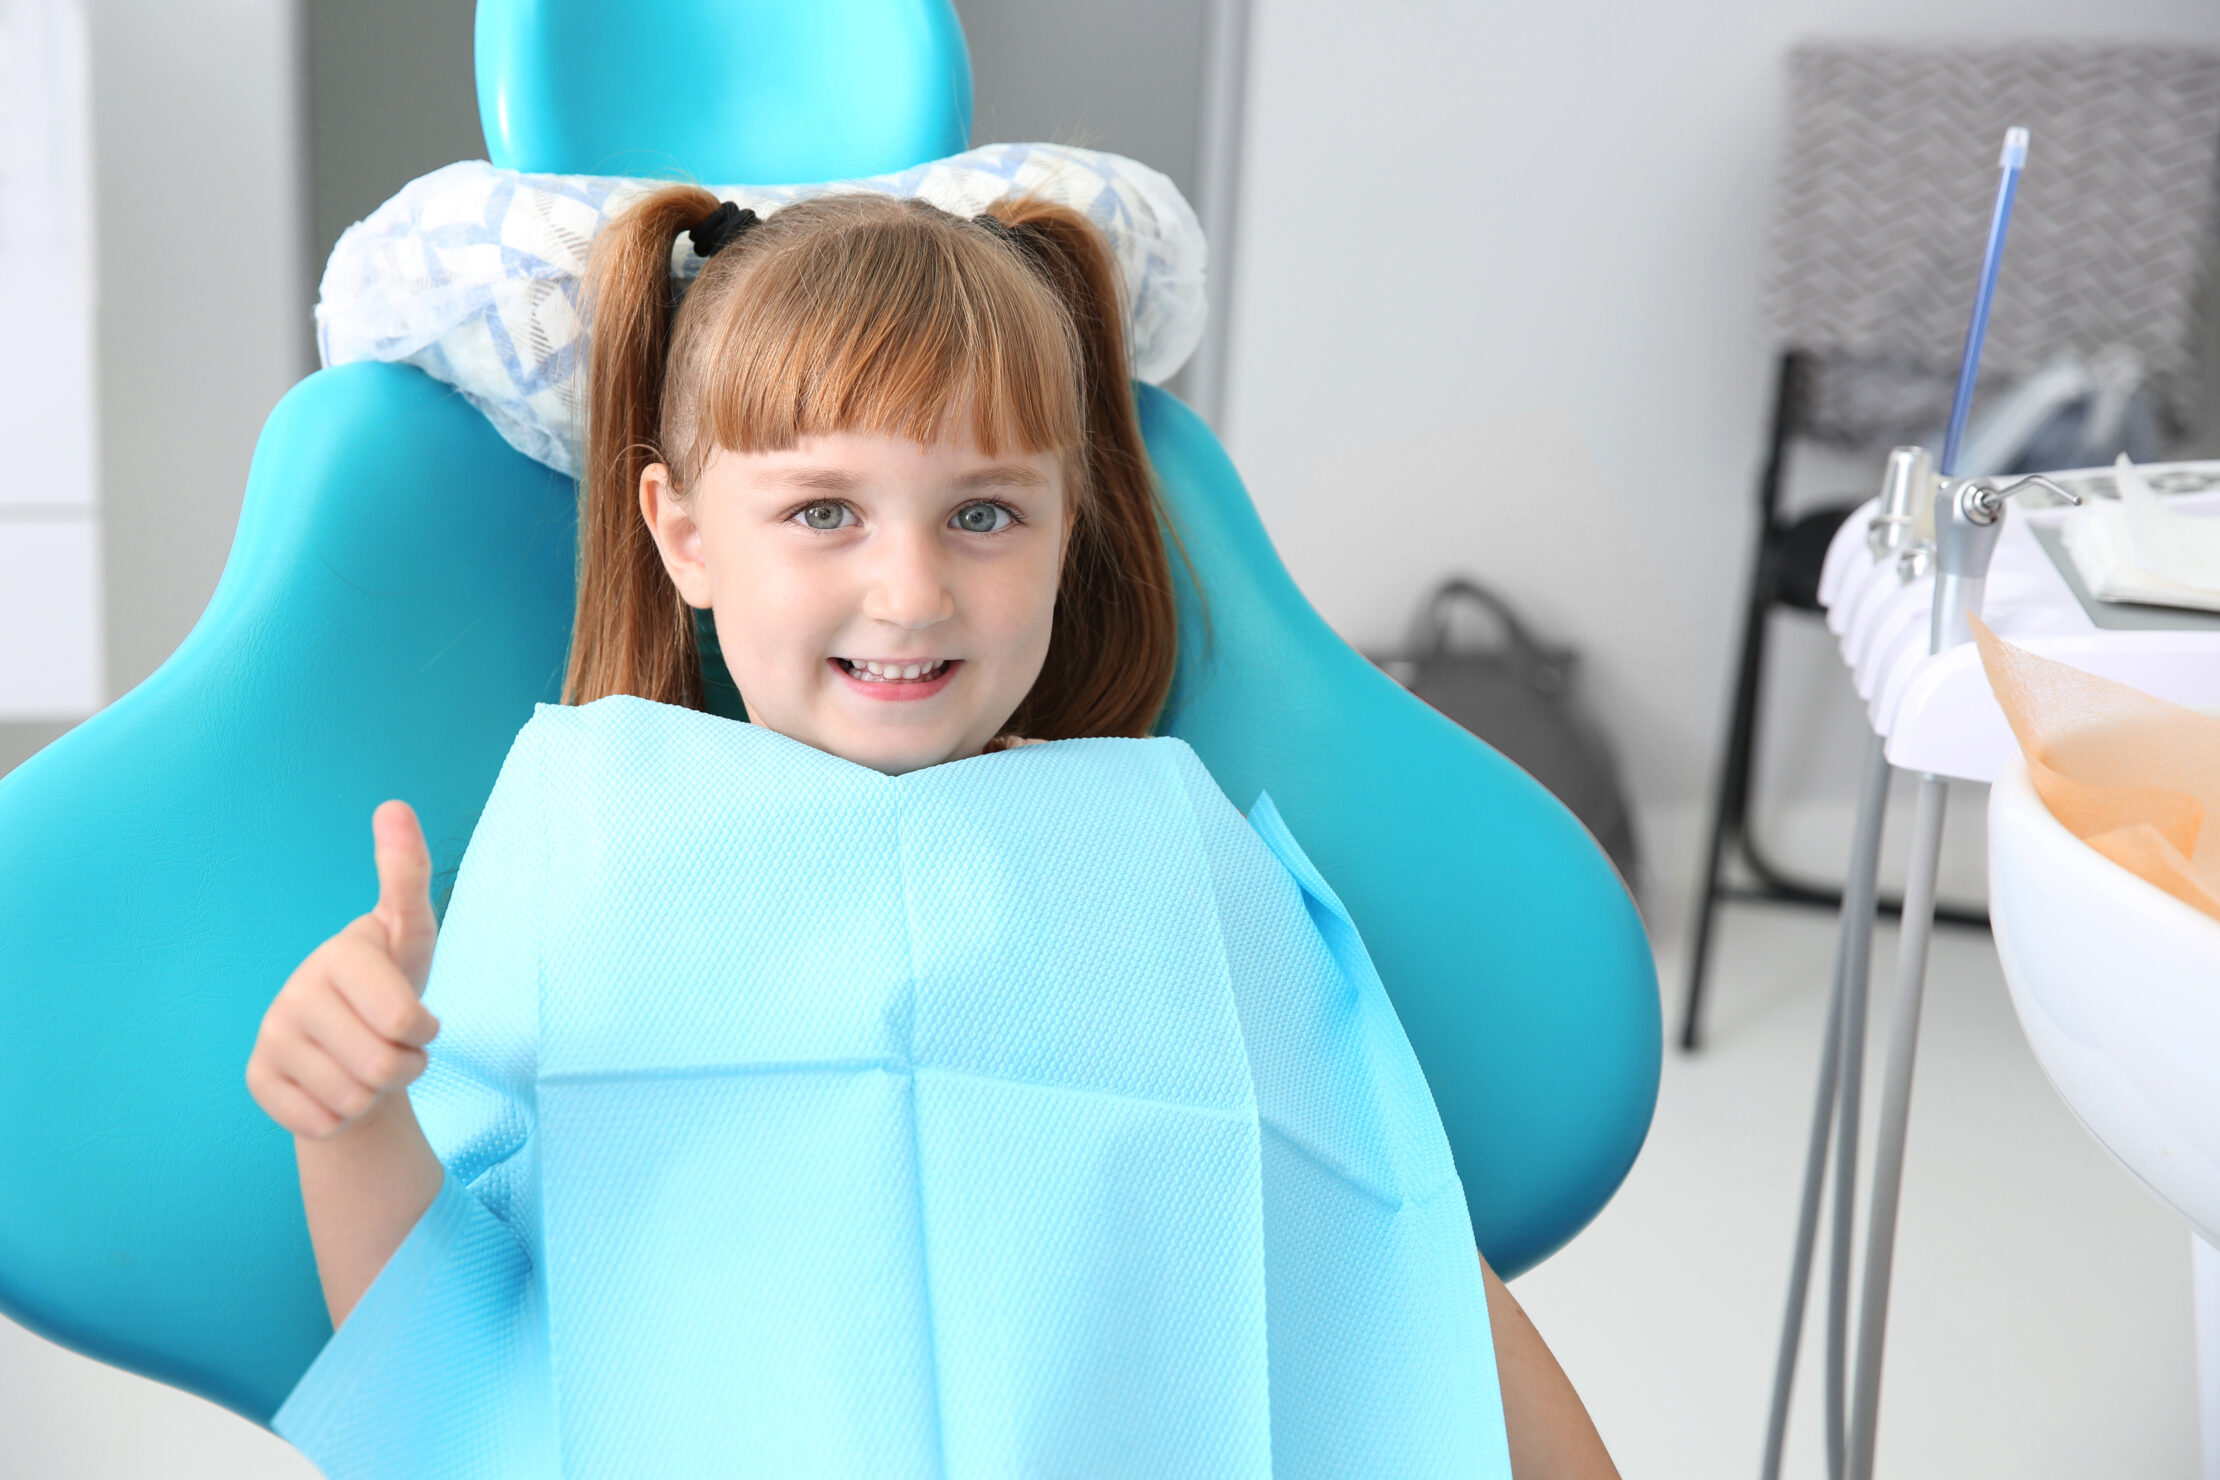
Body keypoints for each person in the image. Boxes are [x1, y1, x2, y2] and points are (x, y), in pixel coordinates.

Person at [246, 184, 1618, 1479]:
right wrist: (351, 1119)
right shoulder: (589, 844)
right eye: (823, 511)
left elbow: (1387, 1254)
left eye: (982, 513)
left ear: (1067, 523)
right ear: (683, 534)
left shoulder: (1161, 856)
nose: (910, 592)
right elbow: (444, 1343)